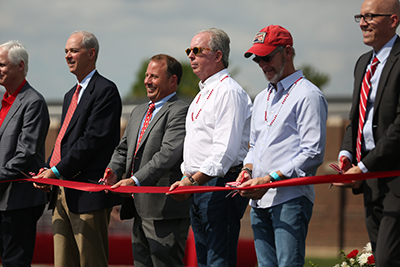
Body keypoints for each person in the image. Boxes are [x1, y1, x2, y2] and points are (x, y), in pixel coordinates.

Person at [237, 25, 327, 267]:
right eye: (258, 59)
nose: (262, 64)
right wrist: (247, 170)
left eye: (267, 57)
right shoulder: (261, 97)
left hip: (290, 198)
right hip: (260, 200)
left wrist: (269, 179)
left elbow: (313, 153)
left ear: (287, 52)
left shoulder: (308, 95)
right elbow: (254, 146)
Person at [34, 30, 122, 267]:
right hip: (60, 193)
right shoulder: (68, 96)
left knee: (90, 262)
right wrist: (47, 169)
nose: (67, 56)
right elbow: (64, 140)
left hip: (87, 195)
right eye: (65, 51)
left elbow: (91, 141)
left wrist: (55, 171)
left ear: (91, 53)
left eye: (73, 50)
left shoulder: (105, 90)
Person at [168, 28, 253, 267]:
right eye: (189, 51)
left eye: (197, 50)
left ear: (217, 56)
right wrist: (189, 178)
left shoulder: (228, 92)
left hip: (218, 184)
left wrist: (192, 180)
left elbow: (224, 152)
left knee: (218, 260)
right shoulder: (203, 93)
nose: (191, 56)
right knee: (204, 261)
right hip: (198, 186)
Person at [104, 54, 191, 267]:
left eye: (154, 76)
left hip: (164, 212)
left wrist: (134, 181)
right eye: (146, 75)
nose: (147, 81)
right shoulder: (138, 111)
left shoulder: (180, 111)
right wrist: (113, 170)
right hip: (138, 209)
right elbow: (123, 148)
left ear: (172, 81)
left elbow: (167, 155)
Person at [335, 0, 400, 265]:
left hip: (394, 177)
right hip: (369, 180)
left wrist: (363, 167)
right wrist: (346, 154)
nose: (362, 23)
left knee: (386, 259)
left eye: (370, 17)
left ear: (393, 21)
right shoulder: (363, 63)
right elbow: (356, 117)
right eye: (360, 17)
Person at [0, 41, 49, 266]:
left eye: (2, 64)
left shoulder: (33, 102)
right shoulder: (3, 102)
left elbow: (25, 152)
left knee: (15, 262)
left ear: (20, 66)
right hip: (3, 198)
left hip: (19, 201)